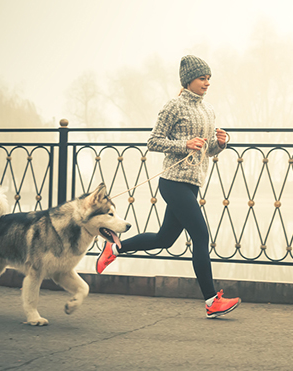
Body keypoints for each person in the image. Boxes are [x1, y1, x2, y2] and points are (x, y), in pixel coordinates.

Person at [96, 55, 241, 318]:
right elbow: (153, 142)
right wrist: (183, 144)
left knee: (165, 238)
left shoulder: (209, 110)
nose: (207, 83)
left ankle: (115, 248)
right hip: (173, 183)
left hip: (193, 183)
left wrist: (219, 144)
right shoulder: (173, 106)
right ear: (188, 81)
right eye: (202, 78)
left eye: (209, 78)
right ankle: (211, 301)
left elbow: (206, 152)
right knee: (200, 236)